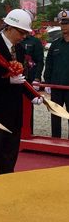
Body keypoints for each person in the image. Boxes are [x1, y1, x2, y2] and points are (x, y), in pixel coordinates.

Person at [0, 9, 42, 176]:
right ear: (10, 28)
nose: (24, 37)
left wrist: (32, 96)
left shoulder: (18, 50)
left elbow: (21, 78)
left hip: (14, 111)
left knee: (10, 153)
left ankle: (7, 180)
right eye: (22, 32)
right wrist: (6, 80)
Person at [43, 9, 69, 138]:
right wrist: (47, 82)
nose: (64, 26)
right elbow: (49, 64)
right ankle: (55, 140)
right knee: (56, 116)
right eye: (62, 23)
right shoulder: (55, 44)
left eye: (67, 23)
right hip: (57, 86)